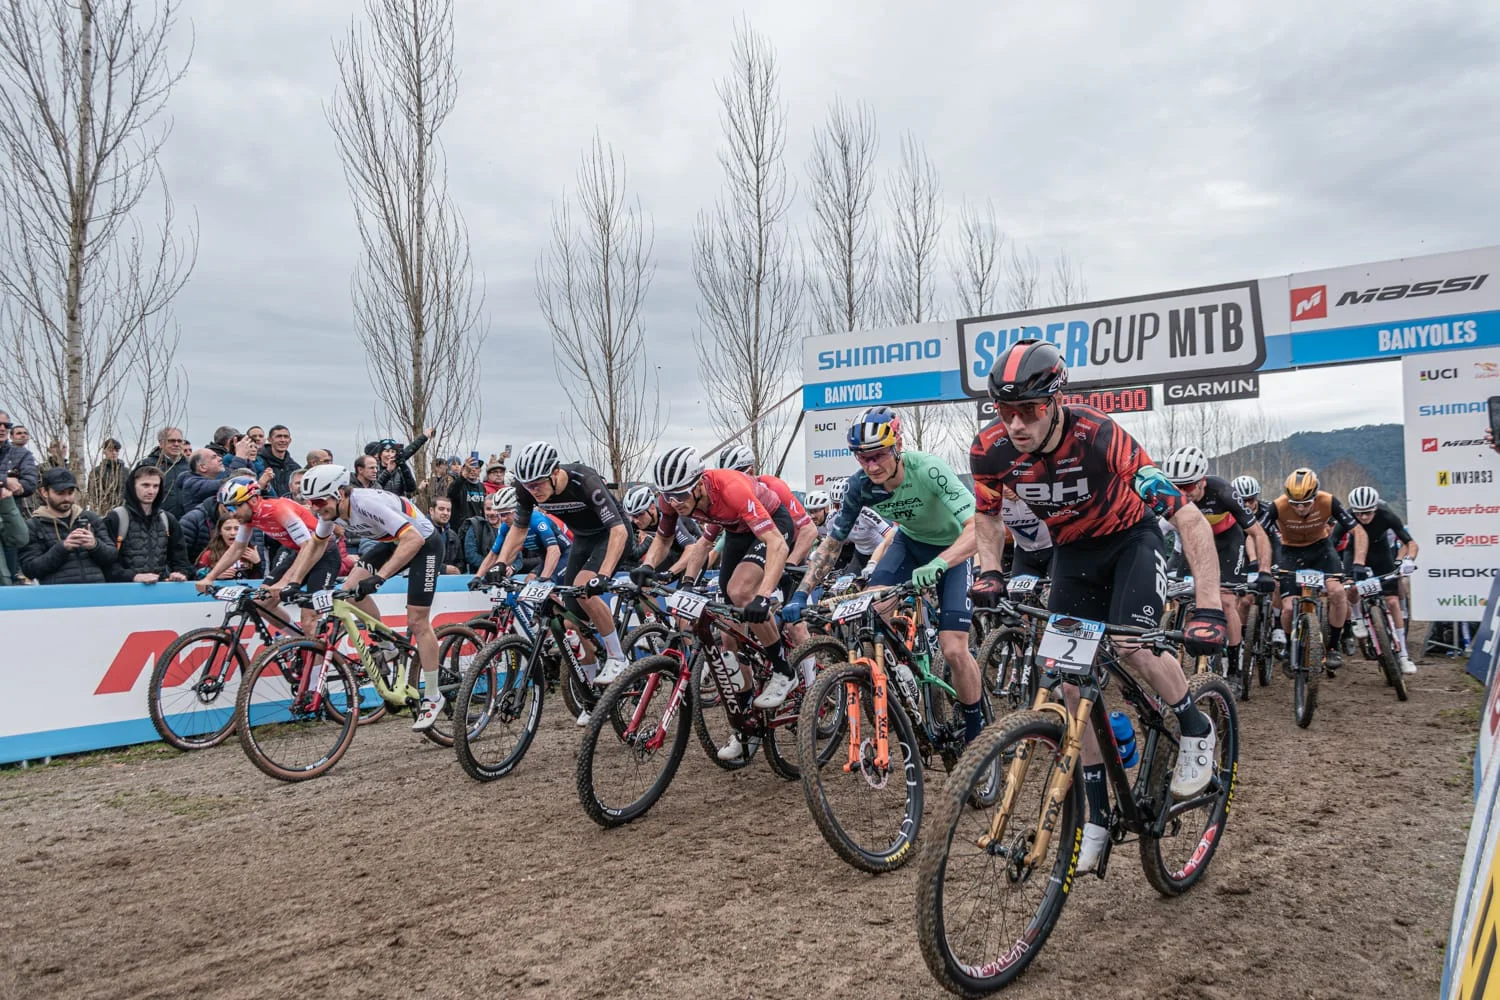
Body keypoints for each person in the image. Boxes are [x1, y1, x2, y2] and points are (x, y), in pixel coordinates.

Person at [966, 339, 1228, 876]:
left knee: (1132, 644)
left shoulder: (1101, 437)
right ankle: (1098, 815)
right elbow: (988, 516)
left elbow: (1189, 520)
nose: (1016, 424)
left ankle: (1195, 726)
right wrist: (991, 570)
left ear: (1055, 401)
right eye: (1004, 410)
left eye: (1029, 410)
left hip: (1132, 540)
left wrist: (1209, 609)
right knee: (1066, 680)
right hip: (1074, 554)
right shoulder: (990, 449)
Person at [782, 407, 982, 748]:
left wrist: (942, 563)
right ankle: (898, 680)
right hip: (910, 544)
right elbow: (833, 543)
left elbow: (977, 526)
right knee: (872, 609)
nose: (871, 466)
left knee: (953, 648)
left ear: (897, 445)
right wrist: (802, 592)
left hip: (953, 549)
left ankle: (976, 725)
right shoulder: (860, 486)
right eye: (862, 458)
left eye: (878, 455)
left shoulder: (929, 469)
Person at [632, 446, 799, 753]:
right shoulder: (671, 498)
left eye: (681, 495)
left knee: (740, 591)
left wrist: (761, 597)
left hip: (773, 526)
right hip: (735, 531)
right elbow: (672, 540)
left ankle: (783, 670)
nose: (674, 503)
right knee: (727, 636)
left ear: (699, 484)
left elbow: (776, 543)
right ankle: (746, 722)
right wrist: (652, 568)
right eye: (668, 496)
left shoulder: (731, 488)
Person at [270, 465, 447, 731]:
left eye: (319, 501)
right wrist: (293, 581)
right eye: (310, 503)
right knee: (348, 592)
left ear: (340, 493)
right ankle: (387, 644)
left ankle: (433, 696)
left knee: (417, 621)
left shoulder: (366, 503)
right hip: (392, 542)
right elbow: (316, 544)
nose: (315, 508)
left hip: (423, 543)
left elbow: (413, 540)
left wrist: (380, 578)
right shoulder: (332, 509)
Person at [494, 442, 630, 717]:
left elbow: (617, 531)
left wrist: (602, 576)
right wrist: (500, 564)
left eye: (538, 484)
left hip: (612, 534)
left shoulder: (584, 480)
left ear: (555, 473)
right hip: (582, 539)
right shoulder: (525, 489)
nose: (534, 491)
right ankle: (591, 690)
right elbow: (518, 530)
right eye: (528, 486)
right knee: (570, 621)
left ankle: (618, 657)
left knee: (584, 588)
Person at [1159, 446, 1272, 681]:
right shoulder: (1170, 498)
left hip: (1227, 544)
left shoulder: (1223, 492)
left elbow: (1258, 534)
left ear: (1202, 481)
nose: (1182, 493)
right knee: (1180, 597)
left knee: (1226, 601)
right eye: (1175, 487)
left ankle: (1234, 667)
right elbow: (1155, 532)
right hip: (1195, 546)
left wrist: (1264, 570)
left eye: (1188, 486)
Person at [198, 476, 342, 638]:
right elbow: (238, 548)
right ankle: (298, 640)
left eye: (234, 508)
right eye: (227, 509)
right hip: (299, 553)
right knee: (261, 603)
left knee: (310, 618)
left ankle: (317, 661)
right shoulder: (249, 517)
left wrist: (285, 581)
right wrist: (210, 577)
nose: (232, 514)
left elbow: (308, 545)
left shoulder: (279, 510)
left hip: (323, 555)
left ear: (252, 500)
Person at [1264, 467, 1356, 674]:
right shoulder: (1278, 506)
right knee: (1288, 608)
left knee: (1338, 592)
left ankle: (1332, 646)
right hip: (1290, 553)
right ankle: (1289, 645)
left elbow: (1356, 530)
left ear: (1315, 497)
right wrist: (1261, 566)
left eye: (1306, 503)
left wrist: (1357, 563)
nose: (1301, 508)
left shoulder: (1329, 501)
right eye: (1295, 504)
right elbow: (1257, 534)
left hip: (1321, 550)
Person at [1346, 486, 1419, 674]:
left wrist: (1407, 560)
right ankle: (1357, 618)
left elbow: (1410, 543)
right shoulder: (1346, 516)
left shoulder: (1386, 515)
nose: (1363, 517)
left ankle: (1403, 655)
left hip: (1381, 556)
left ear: (1376, 509)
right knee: (1351, 588)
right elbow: (1331, 542)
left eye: (1368, 512)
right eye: (1359, 513)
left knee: (1393, 602)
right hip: (1354, 555)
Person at [717, 442, 820, 564]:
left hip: (788, 545)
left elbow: (809, 530)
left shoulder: (774, 486)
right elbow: (707, 543)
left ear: (750, 472)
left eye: (733, 479)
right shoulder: (727, 496)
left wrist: (791, 563)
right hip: (754, 543)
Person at [19, 467, 119, 584]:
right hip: (57, 595)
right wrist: (62, 548)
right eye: (60, 493)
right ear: (44, 492)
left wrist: (95, 545)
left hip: (95, 592)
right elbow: (30, 569)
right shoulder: (33, 526)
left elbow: (112, 557)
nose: (66, 498)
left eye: (70, 493)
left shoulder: (91, 518)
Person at [103, 465, 191, 583]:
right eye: (145, 485)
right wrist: (133, 577)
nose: (151, 491)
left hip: (160, 589)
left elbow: (181, 559)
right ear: (133, 486)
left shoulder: (168, 520)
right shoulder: (116, 518)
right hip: (124, 590)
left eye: (156, 486)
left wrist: (180, 573)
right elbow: (106, 563)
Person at [470, 486, 568, 584]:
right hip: (545, 558)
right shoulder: (506, 527)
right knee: (529, 583)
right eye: (500, 514)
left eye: (506, 514)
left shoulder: (535, 519)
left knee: (547, 586)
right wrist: (478, 577)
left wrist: (544, 578)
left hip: (565, 555)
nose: (503, 519)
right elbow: (493, 554)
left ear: (518, 510)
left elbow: (554, 551)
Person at [621, 484, 701, 578]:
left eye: (639, 514)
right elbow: (631, 556)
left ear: (652, 507)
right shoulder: (634, 523)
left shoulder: (667, 517)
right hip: (671, 553)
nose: (636, 520)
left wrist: (670, 573)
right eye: (632, 516)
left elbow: (691, 548)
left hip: (696, 553)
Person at [195, 516, 265, 581]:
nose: (232, 533)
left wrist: (257, 563)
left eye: (237, 529)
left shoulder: (252, 552)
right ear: (220, 532)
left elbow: (259, 580)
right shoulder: (210, 554)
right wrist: (215, 575)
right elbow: (197, 577)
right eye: (227, 529)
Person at [175, 448, 229, 513]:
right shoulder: (193, 484)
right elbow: (228, 483)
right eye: (213, 457)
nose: (220, 458)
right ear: (202, 467)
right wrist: (239, 457)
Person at [462, 492, 505, 573]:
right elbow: (471, 555)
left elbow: (518, 557)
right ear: (483, 510)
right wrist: (493, 567)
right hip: (478, 575)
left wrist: (513, 567)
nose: (492, 513)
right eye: (488, 509)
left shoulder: (509, 528)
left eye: (496, 509)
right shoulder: (475, 526)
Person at [254, 425, 300, 498]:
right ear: (269, 439)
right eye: (278, 436)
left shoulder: (295, 468)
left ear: (290, 440)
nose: (282, 440)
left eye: (286, 437)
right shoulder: (258, 463)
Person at [88, 438, 128, 511]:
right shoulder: (97, 472)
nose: (114, 453)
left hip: (124, 509)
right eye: (111, 450)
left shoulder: (126, 472)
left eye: (116, 450)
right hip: (104, 510)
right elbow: (92, 495)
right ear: (104, 452)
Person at [427, 496, 465, 574]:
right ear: (431, 510)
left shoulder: (453, 535)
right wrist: (443, 569)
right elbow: (417, 561)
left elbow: (460, 562)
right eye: (441, 509)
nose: (445, 513)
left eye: (448, 510)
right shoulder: (422, 533)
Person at [446, 455, 487, 523]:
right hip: (461, 527)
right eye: (470, 468)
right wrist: (463, 476)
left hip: (478, 526)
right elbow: (451, 493)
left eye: (476, 468)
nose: (473, 470)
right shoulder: (459, 484)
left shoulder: (481, 486)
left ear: (480, 471)